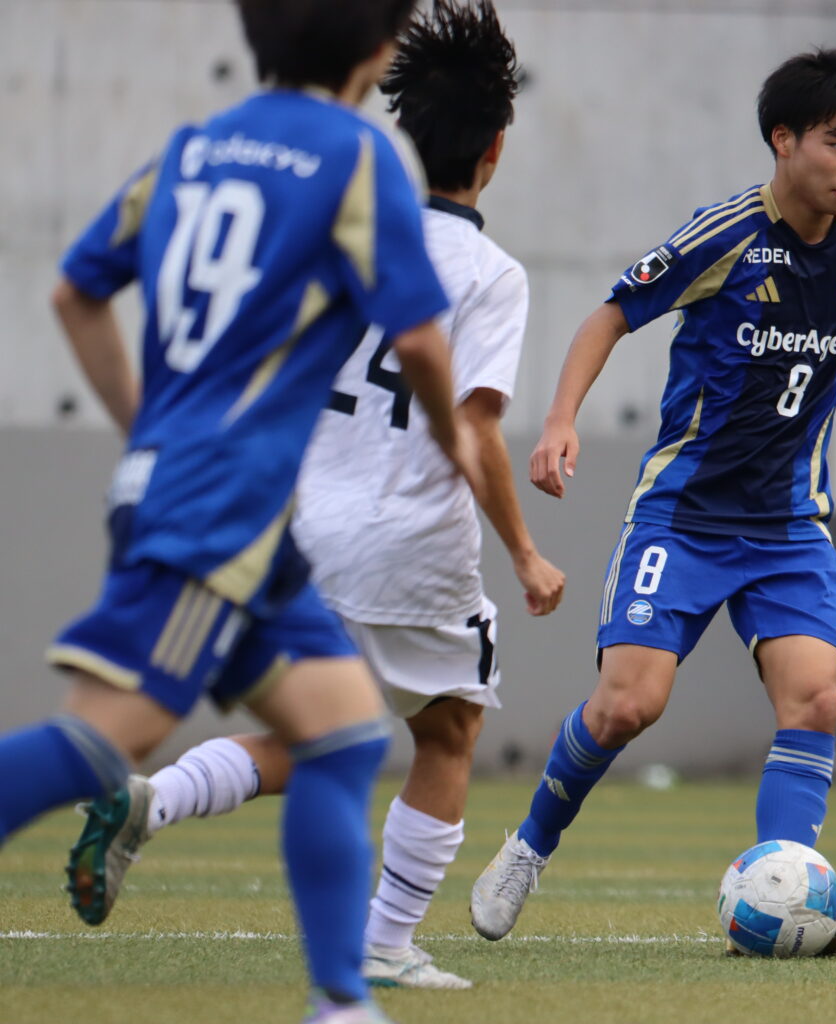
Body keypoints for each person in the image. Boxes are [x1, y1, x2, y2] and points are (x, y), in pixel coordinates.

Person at [63, 0, 563, 993]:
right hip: (410, 539)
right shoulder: (491, 275)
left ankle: (156, 800)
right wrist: (524, 551)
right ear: (496, 149)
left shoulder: (340, 224)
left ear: (400, 127)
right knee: (451, 725)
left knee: (326, 732)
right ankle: (381, 946)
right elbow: (473, 428)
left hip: (297, 527)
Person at [0, 1, 466, 1021]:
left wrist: (148, 429)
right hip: (222, 507)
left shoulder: (192, 150)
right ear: (380, 46)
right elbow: (421, 341)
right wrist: (458, 442)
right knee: (103, 738)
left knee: (344, 734)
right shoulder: (358, 155)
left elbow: (77, 292)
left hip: (215, 502)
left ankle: (341, 1003)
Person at [469, 48, 836, 957]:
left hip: (788, 527)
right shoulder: (725, 236)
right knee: (626, 706)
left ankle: (783, 892)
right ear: (783, 140)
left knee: (817, 697)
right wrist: (560, 420)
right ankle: (528, 847)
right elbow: (611, 313)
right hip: (682, 520)